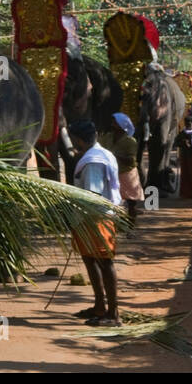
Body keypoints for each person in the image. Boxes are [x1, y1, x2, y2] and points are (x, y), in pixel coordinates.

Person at [69, 120, 121, 327]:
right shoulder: (103, 153)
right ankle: (100, 306)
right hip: (92, 217)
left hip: (95, 218)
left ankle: (113, 314)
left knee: (104, 262)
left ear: (79, 140)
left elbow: (93, 195)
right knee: (90, 259)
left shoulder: (92, 162)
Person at [104, 112, 144, 223]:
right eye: (112, 122)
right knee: (112, 200)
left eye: (115, 123)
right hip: (112, 172)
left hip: (127, 173)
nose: (112, 125)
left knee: (131, 202)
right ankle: (116, 223)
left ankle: (131, 224)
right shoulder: (107, 138)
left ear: (122, 125)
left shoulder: (130, 141)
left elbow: (131, 160)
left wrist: (114, 155)